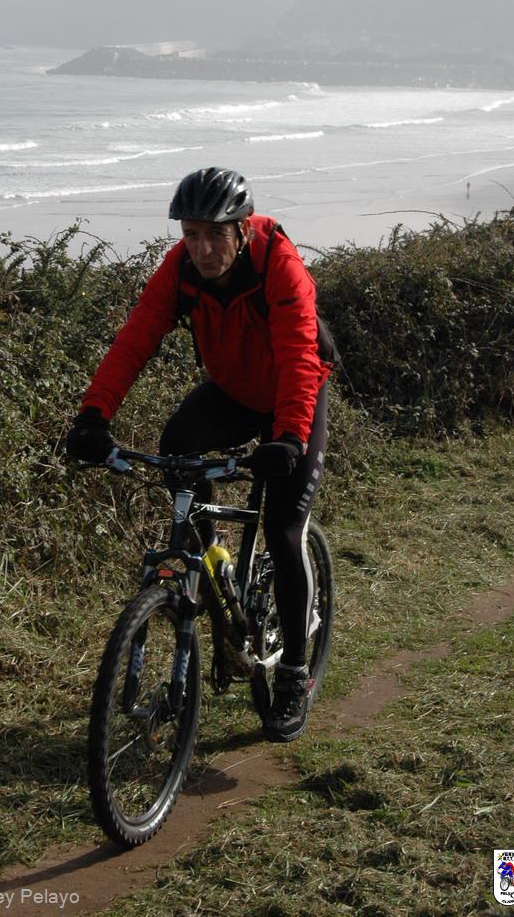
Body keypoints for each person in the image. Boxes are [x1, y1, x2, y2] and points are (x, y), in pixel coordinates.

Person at [67, 167, 331, 742]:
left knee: (284, 529)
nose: (203, 249)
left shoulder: (278, 265)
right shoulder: (181, 269)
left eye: (215, 234)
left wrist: (289, 437)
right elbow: (135, 339)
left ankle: (293, 674)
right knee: (176, 446)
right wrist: (93, 416)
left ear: (242, 231)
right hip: (234, 392)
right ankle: (213, 563)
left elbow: (298, 355)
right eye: (191, 234)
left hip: (295, 397)